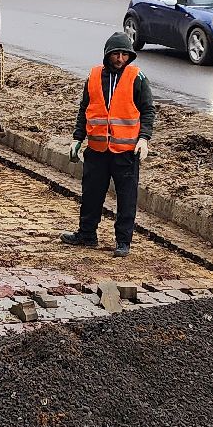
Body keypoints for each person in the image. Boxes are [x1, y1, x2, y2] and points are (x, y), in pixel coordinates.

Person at [60, 31, 155, 258]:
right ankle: (86, 235)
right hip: (97, 150)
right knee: (91, 194)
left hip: (126, 152)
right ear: (107, 55)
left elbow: (148, 110)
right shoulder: (93, 77)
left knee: (126, 199)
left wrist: (144, 139)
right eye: (116, 54)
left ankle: (123, 242)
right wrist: (77, 138)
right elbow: (85, 110)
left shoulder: (137, 78)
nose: (120, 58)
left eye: (124, 54)